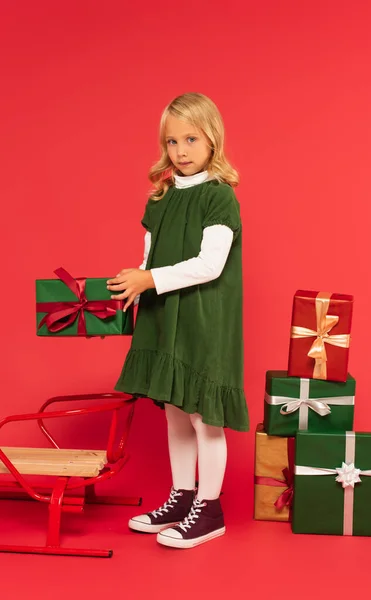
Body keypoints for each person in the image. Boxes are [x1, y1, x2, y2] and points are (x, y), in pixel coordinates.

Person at [107, 92, 249, 549]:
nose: (181, 151)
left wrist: (148, 278)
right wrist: (136, 285)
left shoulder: (219, 198)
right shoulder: (163, 197)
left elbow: (210, 264)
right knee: (174, 411)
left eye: (191, 139)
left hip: (203, 319)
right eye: (172, 142)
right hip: (164, 314)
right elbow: (150, 257)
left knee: (203, 416)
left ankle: (210, 509)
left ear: (212, 139)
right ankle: (183, 497)